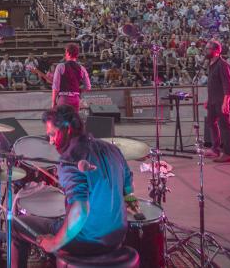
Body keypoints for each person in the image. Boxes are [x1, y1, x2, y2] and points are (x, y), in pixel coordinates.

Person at [11, 105, 137, 268]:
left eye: (52, 135)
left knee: (15, 224)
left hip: (87, 242)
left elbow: (79, 210)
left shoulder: (71, 159)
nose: (50, 141)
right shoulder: (113, 150)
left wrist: (54, 243)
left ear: (67, 129)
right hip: (117, 237)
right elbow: (129, 188)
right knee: (61, 219)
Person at [203, 40, 230, 163]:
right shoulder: (211, 64)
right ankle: (215, 149)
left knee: (225, 126)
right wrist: (208, 99)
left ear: (216, 51)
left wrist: (226, 101)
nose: (206, 51)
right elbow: (214, 85)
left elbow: (228, 85)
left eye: (208, 49)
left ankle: (228, 153)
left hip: (222, 101)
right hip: (213, 100)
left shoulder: (223, 65)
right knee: (211, 123)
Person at [51, 43, 91, 112]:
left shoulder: (60, 66)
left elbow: (55, 87)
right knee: (73, 121)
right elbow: (88, 87)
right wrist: (79, 90)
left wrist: (53, 102)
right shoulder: (82, 68)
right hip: (76, 99)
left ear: (67, 53)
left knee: (63, 121)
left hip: (64, 98)